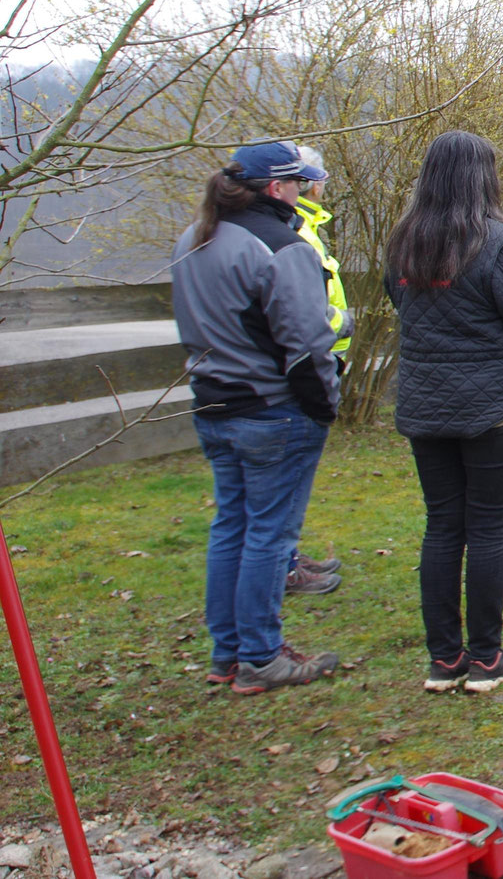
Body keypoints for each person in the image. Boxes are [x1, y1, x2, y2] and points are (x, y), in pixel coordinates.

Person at [384, 131, 503, 694]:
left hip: (424, 403)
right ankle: (486, 659)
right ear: (483, 177)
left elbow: (402, 303)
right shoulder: (498, 242)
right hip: (491, 406)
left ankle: (445, 659)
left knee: (442, 525)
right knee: (486, 527)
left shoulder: (403, 242)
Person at [169, 141, 341, 695]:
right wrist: (323, 406)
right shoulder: (281, 247)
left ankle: (228, 653)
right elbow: (306, 343)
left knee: (232, 528)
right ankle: (262, 657)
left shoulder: (196, 239)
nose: (302, 190)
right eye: (296, 182)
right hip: (271, 410)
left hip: (213, 403)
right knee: (269, 535)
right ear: (276, 188)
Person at [284, 144, 351, 598]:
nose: (324, 183)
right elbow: (299, 312)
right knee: (284, 480)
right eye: (318, 176)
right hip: (303, 372)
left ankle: (285, 555)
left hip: (318, 365)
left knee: (288, 483)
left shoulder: (304, 226)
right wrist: (340, 323)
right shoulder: (294, 234)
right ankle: (282, 565)